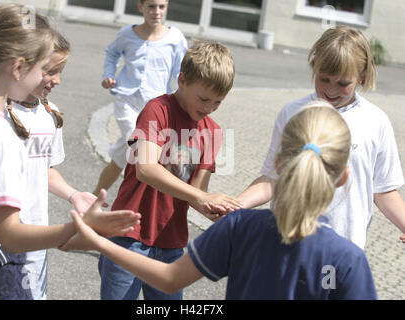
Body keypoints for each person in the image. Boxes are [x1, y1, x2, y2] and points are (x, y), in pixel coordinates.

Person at [63, 103, 378, 300]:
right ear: (343, 176)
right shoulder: (348, 260)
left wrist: (99, 243)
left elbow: (170, 279)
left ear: (279, 166)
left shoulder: (241, 227)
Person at [0, 4, 140, 300]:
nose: (50, 78)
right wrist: (79, 229)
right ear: (17, 68)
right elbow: (12, 236)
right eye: (44, 68)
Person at [92, 41, 241, 300]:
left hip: (171, 243)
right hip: (128, 235)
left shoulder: (213, 131)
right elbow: (146, 169)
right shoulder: (157, 110)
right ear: (182, 80)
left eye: (217, 102)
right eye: (204, 99)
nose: (208, 108)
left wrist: (219, 213)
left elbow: (197, 193)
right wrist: (201, 198)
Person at [236, 26, 405, 249]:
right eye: (324, 79)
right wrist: (234, 205)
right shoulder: (292, 113)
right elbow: (273, 179)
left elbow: (383, 190)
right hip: (287, 244)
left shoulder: (376, 121)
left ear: (362, 77)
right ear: (314, 65)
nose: (331, 90)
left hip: (342, 250)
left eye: (343, 83)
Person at [4, 28, 100, 300]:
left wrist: (74, 194)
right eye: (50, 71)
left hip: (36, 235)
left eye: (61, 72)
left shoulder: (49, 115)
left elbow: (44, 169)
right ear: (21, 65)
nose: (57, 80)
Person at [93, 0, 188, 193]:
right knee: (141, 151)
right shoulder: (127, 33)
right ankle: (133, 203)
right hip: (126, 100)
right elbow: (112, 53)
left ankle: (94, 197)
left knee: (121, 155)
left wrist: (183, 103)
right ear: (140, 6)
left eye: (162, 6)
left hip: (155, 106)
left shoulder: (176, 38)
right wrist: (108, 76)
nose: (157, 12)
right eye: (151, 6)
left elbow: (182, 74)